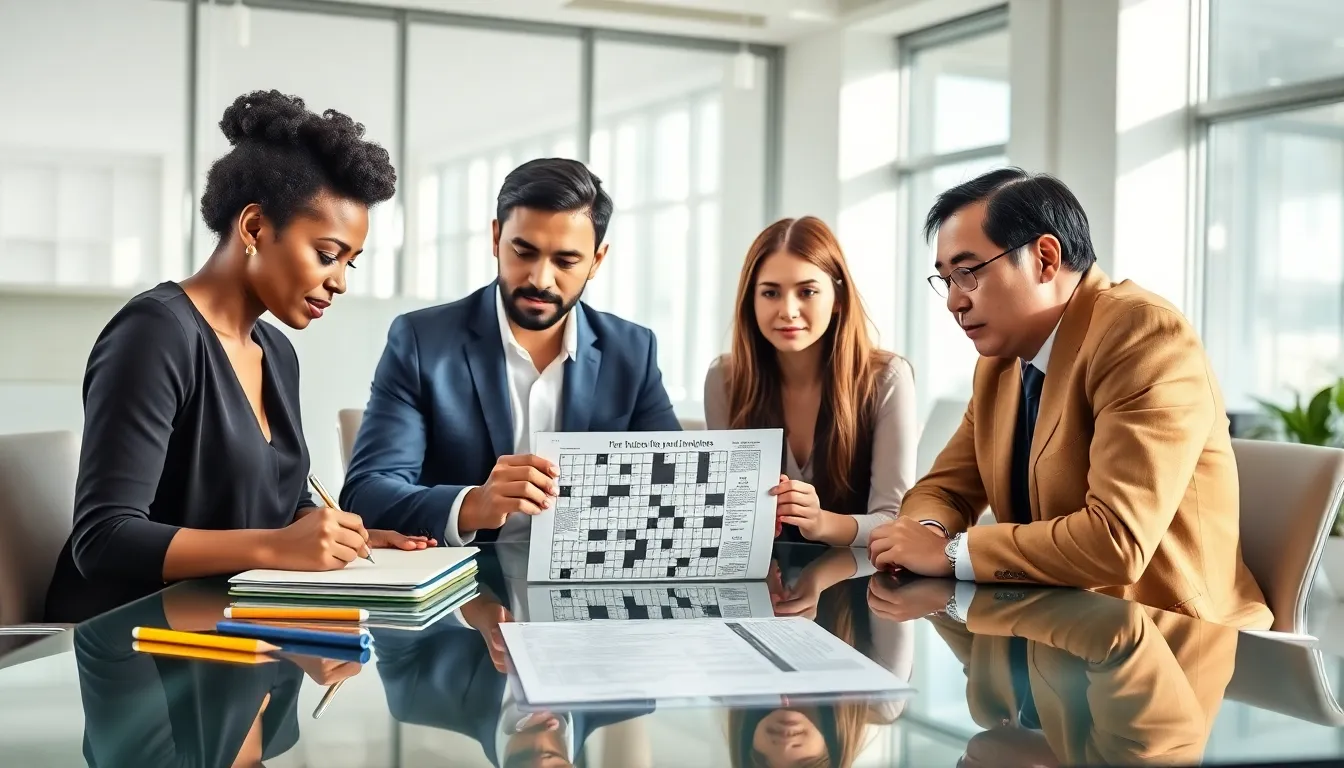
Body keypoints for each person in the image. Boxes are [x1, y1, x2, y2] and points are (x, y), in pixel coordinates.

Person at [45, 90, 430, 624]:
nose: (339, 282)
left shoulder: (277, 352)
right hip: (143, 647)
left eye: (351, 263)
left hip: (244, 627)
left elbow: (285, 504)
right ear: (253, 228)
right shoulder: (155, 333)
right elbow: (104, 539)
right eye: (326, 255)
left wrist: (342, 535)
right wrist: (278, 548)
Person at [866, 167, 1272, 629]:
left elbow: (1116, 542)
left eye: (968, 272)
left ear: (1045, 258)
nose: (954, 302)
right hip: (1054, 633)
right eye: (946, 279)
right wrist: (927, 531)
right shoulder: (999, 363)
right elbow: (944, 488)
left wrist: (952, 552)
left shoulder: (1142, 334)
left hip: (1169, 645)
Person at [340, 158, 681, 546]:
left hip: (589, 591)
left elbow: (675, 482)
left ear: (596, 261)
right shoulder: (422, 341)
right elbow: (365, 494)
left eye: (566, 261)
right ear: (496, 238)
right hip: (467, 588)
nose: (540, 279)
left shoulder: (632, 351)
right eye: (523, 252)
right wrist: (474, 504)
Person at [704, 216, 916, 547]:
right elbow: (723, 511)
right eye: (770, 292)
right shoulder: (725, 379)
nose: (788, 310)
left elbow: (893, 519)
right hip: (761, 581)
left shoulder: (886, 378)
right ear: (751, 301)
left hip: (860, 583)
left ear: (839, 299)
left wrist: (822, 523)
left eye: (807, 291)